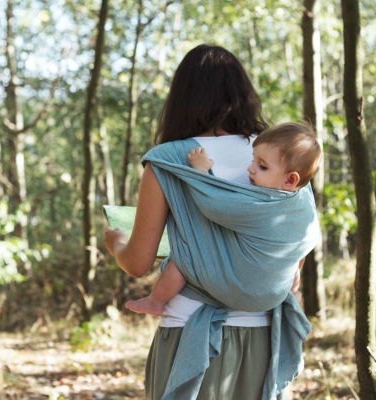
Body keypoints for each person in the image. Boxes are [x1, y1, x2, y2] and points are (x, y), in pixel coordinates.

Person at [104, 44, 320, 400]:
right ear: (244, 95)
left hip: (189, 332)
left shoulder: (169, 161)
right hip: (264, 333)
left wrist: (116, 241)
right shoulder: (286, 157)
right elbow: (295, 242)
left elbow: (138, 263)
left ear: (182, 99)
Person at [125, 122, 321, 317]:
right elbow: (308, 241)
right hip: (276, 295)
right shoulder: (303, 201)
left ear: (290, 180)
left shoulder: (257, 206)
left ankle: (155, 301)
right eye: (253, 160)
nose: (250, 169)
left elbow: (214, 205)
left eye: (262, 166)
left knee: (187, 255)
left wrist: (200, 172)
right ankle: (293, 292)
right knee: (295, 255)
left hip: (243, 292)